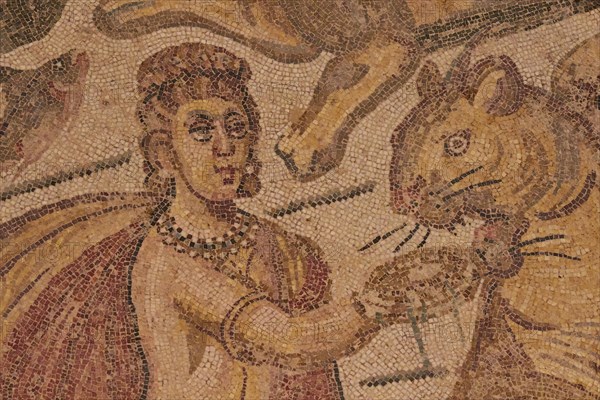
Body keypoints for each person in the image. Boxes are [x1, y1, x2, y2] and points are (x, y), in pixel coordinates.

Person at [0, 43, 395, 400]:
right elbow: (287, 340)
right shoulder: (166, 259)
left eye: (236, 127)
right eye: (202, 131)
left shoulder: (280, 247)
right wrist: (385, 300)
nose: (225, 147)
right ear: (164, 155)